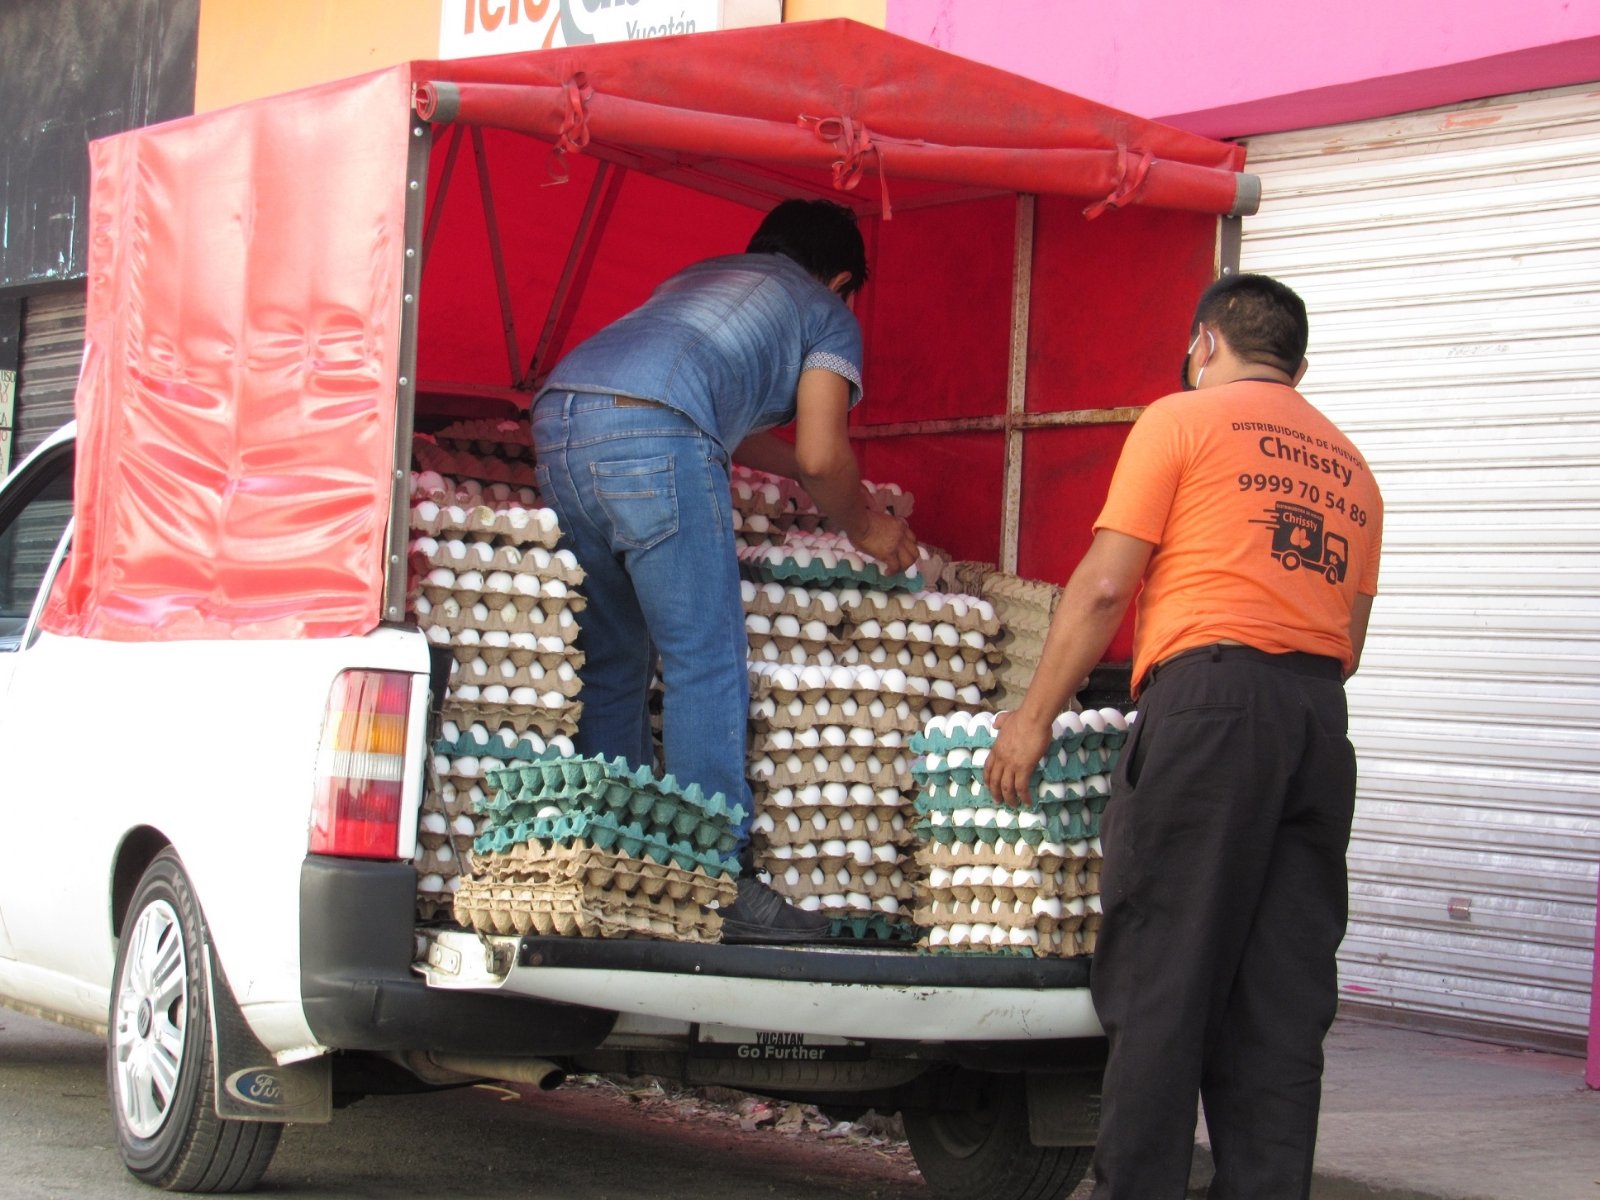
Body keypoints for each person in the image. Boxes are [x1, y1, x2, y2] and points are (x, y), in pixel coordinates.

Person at [984, 274, 1382, 1199]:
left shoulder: (1182, 419)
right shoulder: (1353, 469)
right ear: (1300, 367)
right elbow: (1349, 645)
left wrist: (1032, 719)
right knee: (1281, 1000)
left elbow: (1104, 586)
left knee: (1164, 974)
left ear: (1205, 342)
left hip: (1212, 708)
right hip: (1318, 722)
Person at [531, 199, 919, 944]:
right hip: (657, 427)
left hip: (561, 418)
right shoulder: (824, 313)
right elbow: (819, 453)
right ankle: (716, 877)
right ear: (840, 279)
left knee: (613, 661)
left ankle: (620, 858)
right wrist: (867, 525)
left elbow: (739, 429)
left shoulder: (703, 277)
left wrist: (830, 489)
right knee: (704, 659)